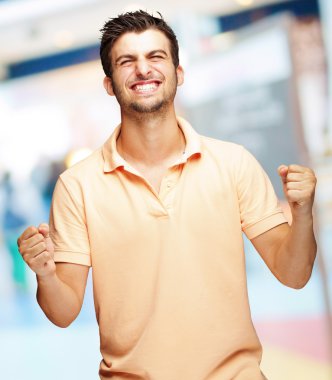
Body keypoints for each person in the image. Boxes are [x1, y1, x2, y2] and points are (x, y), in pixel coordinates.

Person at [17, 10, 317, 380]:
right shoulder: (78, 186)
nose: (143, 70)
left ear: (178, 73)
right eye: (127, 61)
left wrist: (302, 212)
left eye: (155, 57)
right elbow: (62, 314)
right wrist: (45, 274)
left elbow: (294, 274)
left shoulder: (232, 162)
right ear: (110, 84)